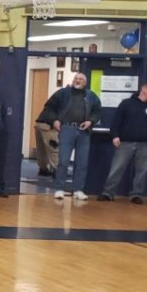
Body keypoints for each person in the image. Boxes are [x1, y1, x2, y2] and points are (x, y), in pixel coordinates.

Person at [41, 72, 102, 200]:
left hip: (84, 131)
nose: (77, 81)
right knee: (63, 161)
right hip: (67, 128)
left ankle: (78, 190)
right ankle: (59, 189)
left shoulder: (91, 96)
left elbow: (97, 111)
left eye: (80, 79)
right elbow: (48, 107)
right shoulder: (63, 93)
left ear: (85, 83)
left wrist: (90, 121)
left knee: (82, 163)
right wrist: (54, 120)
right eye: (76, 78)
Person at [100, 82, 147, 204]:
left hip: (145, 144)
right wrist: (115, 136)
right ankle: (108, 193)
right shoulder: (126, 104)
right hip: (125, 143)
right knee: (116, 168)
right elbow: (116, 122)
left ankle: (136, 195)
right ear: (144, 89)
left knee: (141, 171)